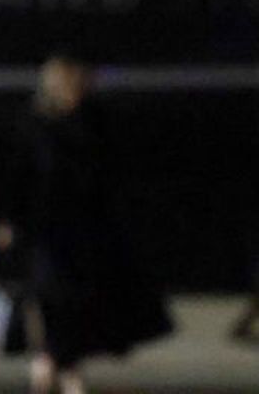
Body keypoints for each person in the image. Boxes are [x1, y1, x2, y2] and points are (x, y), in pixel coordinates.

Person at [16, 57, 172, 394]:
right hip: (46, 232)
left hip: (84, 232)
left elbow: (105, 179)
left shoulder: (92, 124)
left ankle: (59, 364)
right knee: (50, 297)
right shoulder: (36, 127)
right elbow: (23, 180)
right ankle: (55, 363)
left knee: (76, 300)